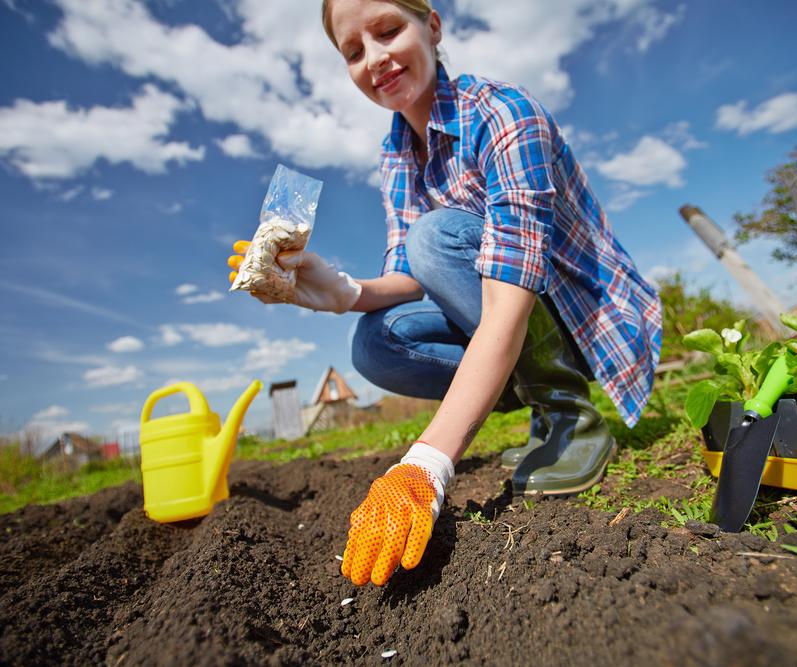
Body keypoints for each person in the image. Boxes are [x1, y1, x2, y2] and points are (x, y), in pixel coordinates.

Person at [227, 0, 662, 587]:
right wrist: (339, 289)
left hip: (586, 318)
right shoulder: (396, 152)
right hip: (502, 305)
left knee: (435, 234)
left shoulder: (505, 114)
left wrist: (427, 462)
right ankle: (535, 405)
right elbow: (412, 275)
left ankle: (570, 414)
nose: (374, 59)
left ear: (432, 26)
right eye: (354, 51)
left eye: (387, 31)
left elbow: (500, 286)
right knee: (376, 343)